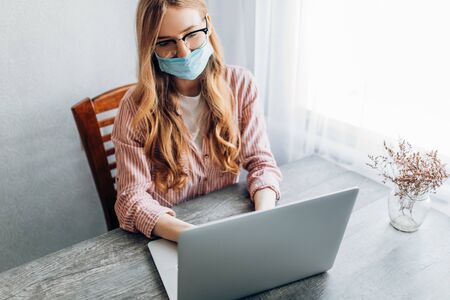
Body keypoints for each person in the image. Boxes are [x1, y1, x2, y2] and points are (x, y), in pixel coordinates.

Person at [111, 0, 282, 243]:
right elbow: (131, 199)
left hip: (226, 221)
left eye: (191, 35)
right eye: (166, 42)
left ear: (208, 25)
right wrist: (196, 239)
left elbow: (262, 165)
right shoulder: (135, 108)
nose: (184, 52)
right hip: (170, 237)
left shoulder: (241, 85)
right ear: (150, 46)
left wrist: (263, 218)